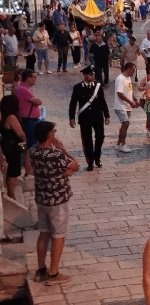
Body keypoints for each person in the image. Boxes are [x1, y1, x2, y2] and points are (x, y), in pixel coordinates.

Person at [31, 121, 79, 286]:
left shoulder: (33, 152)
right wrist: (62, 150)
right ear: (49, 134)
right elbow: (75, 166)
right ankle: (54, 273)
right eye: (54, 131)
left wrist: (66, 171)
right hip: (58, 200)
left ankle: (41, 269)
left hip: (42, 198)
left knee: (43, 233)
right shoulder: (56, 155)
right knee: (58, 236)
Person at [69, 65, 110, 171]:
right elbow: (73, 103)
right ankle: (90, 161)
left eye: (93, 74)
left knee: (100, 137)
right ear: (85, 75)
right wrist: (72, 117)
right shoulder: (78, 87)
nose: (92, 76)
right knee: (87, 140)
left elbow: (102, 101)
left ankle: (97, 156)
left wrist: (107, 115)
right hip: (85, 117)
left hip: (97, 116)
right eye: (90, 74)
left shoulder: (98, 86)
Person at [14, 68, 42, 175]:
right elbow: (38, 101)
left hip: (30, 120)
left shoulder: (26, 89)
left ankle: (28, 167)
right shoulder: (22, 89)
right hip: (28, 121)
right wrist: (36, 100)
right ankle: (28, 169)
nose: (35, 79)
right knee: (29, 145)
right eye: (34, 77)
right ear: (28, 78)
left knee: (29, 144)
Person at [0, 95, 27, 198]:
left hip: (5, 145)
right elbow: (20, 134)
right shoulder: (12, 117)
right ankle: (11, 194)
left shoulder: (3, 116)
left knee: (10, 170)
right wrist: (24, 145)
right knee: (13, 171)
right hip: (13, 148)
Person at [114, 62, 139, 153]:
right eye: (133, 70)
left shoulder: (128, 78)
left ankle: (118, 144)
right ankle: (123, 144)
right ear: (128, 69)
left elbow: (129, 91)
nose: (133, 72)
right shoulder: (120, 79)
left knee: (124, 126)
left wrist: (134, 100)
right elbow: (120, 93)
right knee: (126, 123)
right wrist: (130, 102)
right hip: (120, 106)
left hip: (127, 106)